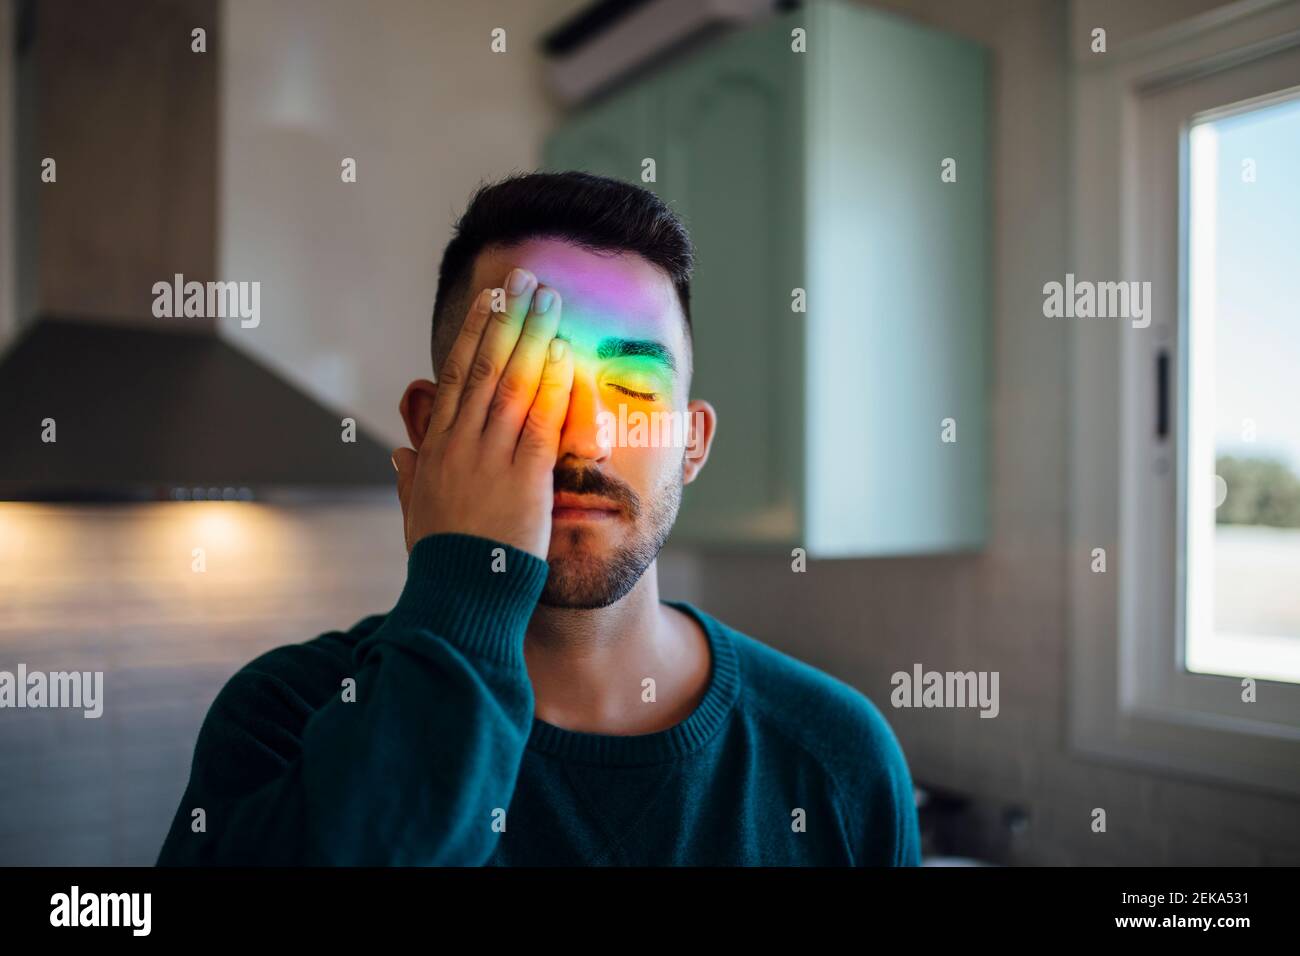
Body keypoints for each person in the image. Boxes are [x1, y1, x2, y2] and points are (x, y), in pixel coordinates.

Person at [157, 172, 921, 866]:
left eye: (631, 390)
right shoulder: (284, 717)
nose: (584, 437)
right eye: (528, 380)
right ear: (431, 426)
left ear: (692, 444)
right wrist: (461, 584)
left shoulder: (840, 759)